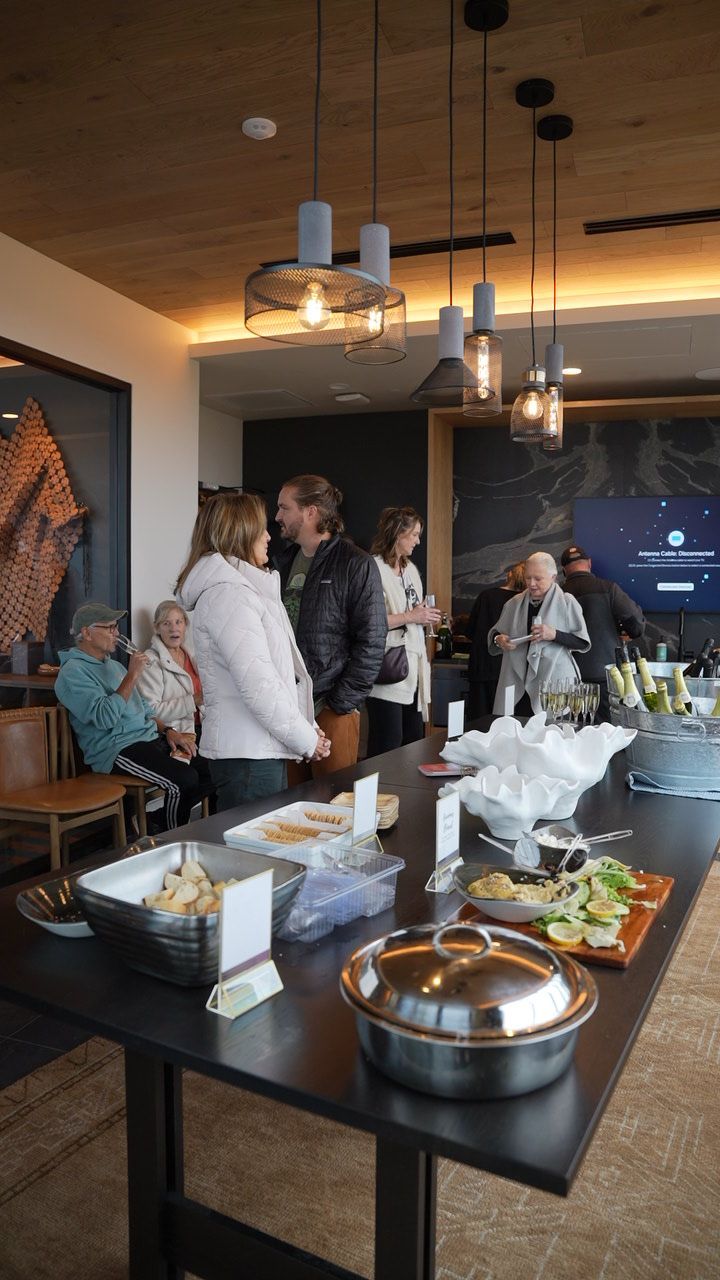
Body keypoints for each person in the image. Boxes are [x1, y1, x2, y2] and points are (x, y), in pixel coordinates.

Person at [175, 492, 330, 812]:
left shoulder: (242, 592)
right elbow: (260, 686)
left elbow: (278, 676)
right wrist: (307, 739)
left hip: (257, 752)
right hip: (248, 759)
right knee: (254, 858)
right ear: (239, 533)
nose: (268, 535)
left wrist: (309, 729)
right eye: (260, 528)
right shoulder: (229, 596)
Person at [274, 474, 387, 775]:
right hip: (287, 708)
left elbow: (373, 640)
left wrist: (341, 702)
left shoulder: (356, 563)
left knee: (333, 805)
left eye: (284, 508)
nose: (277, 517)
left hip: (331, 705)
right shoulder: (280, 563)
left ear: (310, 511)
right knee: (288, 811)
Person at [55, 602, 203, 831]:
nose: (116, 633)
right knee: (183, 780)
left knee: (210, 768)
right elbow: (104, 717)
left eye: (116, 627)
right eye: (110, 628)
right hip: (117, 749)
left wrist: (168, 731)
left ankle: (156, 823)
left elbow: (146, 710)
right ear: (86, 633)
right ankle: (171, 843)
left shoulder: (114, 666)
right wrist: (133, 675)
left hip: (149, 738)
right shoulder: (72, 672)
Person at [364, 506, 441, 757]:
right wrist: (411, 616)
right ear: (398, 533)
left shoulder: (410, 570)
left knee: (413, 741)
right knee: (388, 744)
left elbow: (413, 611)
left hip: (414, 669)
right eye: (415, 534)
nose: (418, 541)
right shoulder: (373, 569)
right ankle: (380, 795)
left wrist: (423, 616)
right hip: (388, 668)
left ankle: (407, 796)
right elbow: (366, 620)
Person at [489, 552, 590, 716]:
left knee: (552, 737)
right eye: (528, 578)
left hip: (554, 685)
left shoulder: (567, 602)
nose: (532, 584)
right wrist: (499, 640)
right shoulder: (513, 603)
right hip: (516, 683)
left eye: (538, 578)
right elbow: (496, 635)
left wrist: (554, 634)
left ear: (553, 577)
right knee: (514, 733)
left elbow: (582, 642)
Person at [138, 600, 216, 805]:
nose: (174, 628)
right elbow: (151, 710)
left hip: (206, 728)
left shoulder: (192, 655)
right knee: (211, 772)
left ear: (185, 625)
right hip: (175, 733)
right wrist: (193, 701)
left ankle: (212, 824)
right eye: (167, 623)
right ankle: (167, 820)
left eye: (178, 622)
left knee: (228, 767)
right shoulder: (151, 661)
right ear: (157, 628)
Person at [560, 544, 645, 721]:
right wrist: (626, 631)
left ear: (563, 570)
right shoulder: (608, 588)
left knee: (569, 733)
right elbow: (636, 623)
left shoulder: (556, 594)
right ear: (589, 563)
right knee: (605, 734)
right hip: (604, 675)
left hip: (565, 676)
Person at [467, 562, 525, 720]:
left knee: (479, 722)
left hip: (483, 666)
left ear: (509, 575)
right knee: (505, 721)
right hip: (511, 669)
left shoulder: (487, 596)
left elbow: (470, 630)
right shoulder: (524, 602)